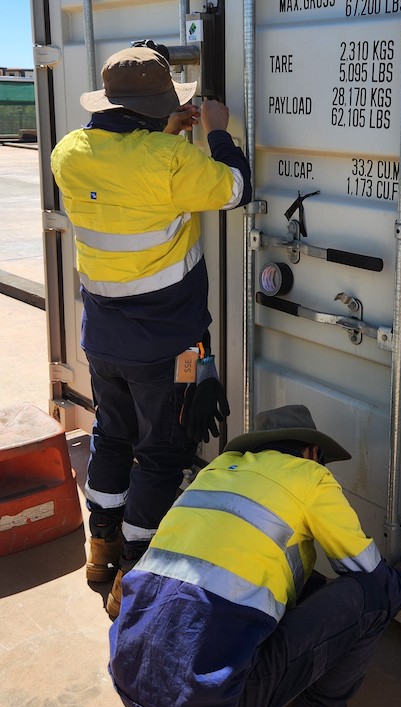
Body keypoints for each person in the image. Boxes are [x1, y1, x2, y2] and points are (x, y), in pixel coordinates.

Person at [108, 403, 401, 707]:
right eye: (321, 459)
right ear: (310, 452)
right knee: (371, 597)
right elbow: (369, 574)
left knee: (292, 589)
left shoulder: (216, 471)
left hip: (132, 680)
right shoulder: (309, 476)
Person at [50, 45, 252, 618]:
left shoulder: (69, 151)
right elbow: (236, 189)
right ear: (158, 111)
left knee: (111, 439)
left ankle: (101, 547)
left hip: (103, 338)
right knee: (162, 455)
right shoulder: (171, 161)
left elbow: (127, 172)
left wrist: (163, 129)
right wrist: (214, 131)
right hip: (167, 345)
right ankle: (135, 572)